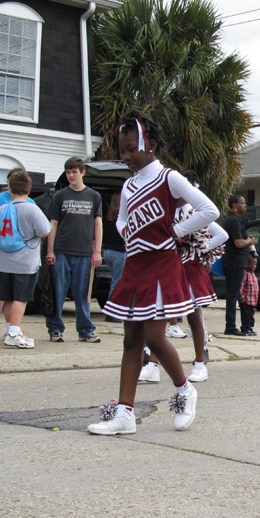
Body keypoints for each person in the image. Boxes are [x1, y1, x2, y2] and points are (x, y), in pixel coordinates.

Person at [87, 109, 217, 436]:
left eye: (132, 148)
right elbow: (121, 219)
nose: (126, 155)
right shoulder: (129, 184)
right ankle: (124, 414)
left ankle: (185, 389)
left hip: (162, 264)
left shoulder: (169, 177)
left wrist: (177, 232)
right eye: (123, 150)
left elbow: (209, 210)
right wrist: (126, 228)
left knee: (155, 337)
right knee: (132, 340)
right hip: (135, 265)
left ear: (151, 144)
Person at [138, 170, 227, 385]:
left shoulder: (194, 211)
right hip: (168, 270)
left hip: (189, 270)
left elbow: (221, 235)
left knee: (194, 317)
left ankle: (199, 364)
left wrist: (199, 249)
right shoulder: (164, 210)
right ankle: (152, 366)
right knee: (160, 315)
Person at [44, 157, 103, 343]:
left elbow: (98, 223)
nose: (71, 175)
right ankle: (55, 329)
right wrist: (50, 251)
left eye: (74, 172)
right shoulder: (60, 196)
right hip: (62, 251)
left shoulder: (94, 196)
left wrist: (97, 251)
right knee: (58, 292)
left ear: (82, 172)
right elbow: (52, 223)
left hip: (85, 253)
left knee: (82, 293)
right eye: (68, 172)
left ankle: (85, 330)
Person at [0, 171, 50, 348]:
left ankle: (9, 329)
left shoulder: (2, 209)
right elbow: (44, 231)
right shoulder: (32, 208)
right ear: (28, 189)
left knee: (7, 297)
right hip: (25, 262)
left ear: (10, 188)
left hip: (4, 260)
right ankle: (14, 333)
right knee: (21, 298)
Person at [221, 195, 255, 336]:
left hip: (236, 262)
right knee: (233, 295)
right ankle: (230, 326)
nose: (245, 205)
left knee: (234, 294)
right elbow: (238, 243)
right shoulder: (233, 221)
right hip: (234, 262)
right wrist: (249, 240)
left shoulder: (234, 220)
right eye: (242, 203)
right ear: (234, 205)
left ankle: (237, 325)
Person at [101, 191, 126, 323]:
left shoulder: (108, 218)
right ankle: (112, 312)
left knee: (114, 281)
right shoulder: (122, 220)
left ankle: (112, 311)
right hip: (119, 252)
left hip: (107, 252)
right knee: (117, 282)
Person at [239, 255, 259, 335]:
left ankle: (250, 327)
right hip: (246, 299)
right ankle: (245, 328)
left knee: (251, 314)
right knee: (245, 314)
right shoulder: (245, 274)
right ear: (248, 265)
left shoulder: (253, 274)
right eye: (254, 264)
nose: (255, 266)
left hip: (253, 300)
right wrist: (241, 295)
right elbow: (241, 285)